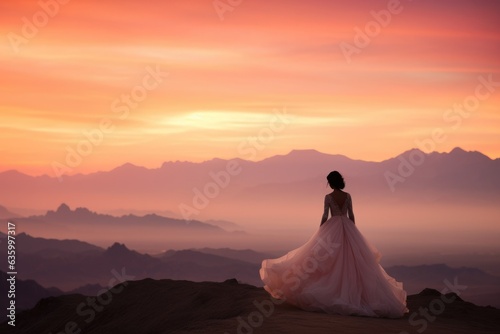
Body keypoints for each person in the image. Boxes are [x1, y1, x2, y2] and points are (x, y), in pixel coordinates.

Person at [259, 171, 408, 318]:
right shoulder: (348, 196)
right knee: (351, 261)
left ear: (331, 182)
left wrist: (320, 232)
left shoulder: (329, 197)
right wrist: (353, 232)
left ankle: (335, 292)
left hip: (333, 228)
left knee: (327, 259)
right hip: (348, 227)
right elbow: (351, 215)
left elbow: (325, 215)